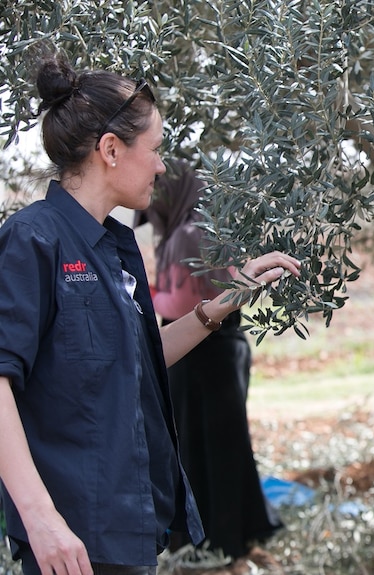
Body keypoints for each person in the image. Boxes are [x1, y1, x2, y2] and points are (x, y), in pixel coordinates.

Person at [0, 52, 301, 575]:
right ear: (111, 150)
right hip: (71, 540)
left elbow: (136, 358)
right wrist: (41, 518)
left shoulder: (117, 247)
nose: (163, 166)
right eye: (156, 149)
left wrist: (232, 296)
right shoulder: (32, 240)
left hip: (130, 528)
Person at [138, 161, 283, 573]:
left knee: (202, 451)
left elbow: (178, 304)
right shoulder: (206, 223)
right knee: (226, 446)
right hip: (223, 346)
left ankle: (212, 547)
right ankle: (232, 542)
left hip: (199, 350)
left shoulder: (187, 233)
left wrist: (144, 295)